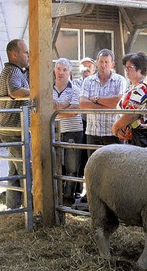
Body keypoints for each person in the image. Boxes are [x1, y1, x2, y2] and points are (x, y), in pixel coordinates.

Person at [0, 38, 30, 209]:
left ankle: (13, 206)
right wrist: (37, 92)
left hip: (11, 128)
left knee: (14, 171)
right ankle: (30, 208)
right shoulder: (13, 71)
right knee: (25, 171)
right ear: (14, 54)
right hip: (16, 129)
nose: (28, 55)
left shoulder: (13, 71)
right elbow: (15, 91)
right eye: (25, 52)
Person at [79, 48, 127, 146]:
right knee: (93, 161)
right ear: (97, 63)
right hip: (93, 133)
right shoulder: (88, 81)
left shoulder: (120, 80)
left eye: (106, 62)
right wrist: (107, 106)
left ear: (112, 64)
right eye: (101, 61)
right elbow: (82, 103)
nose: (103, 65)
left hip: (114, 133)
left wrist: (96, 99)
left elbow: (118, 101)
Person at [52, 58, 84, 202]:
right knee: (57, 164)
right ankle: (57, 195)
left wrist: (55, 109)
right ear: (54, 71)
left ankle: (68, 198)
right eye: (58, 69)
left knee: (72, 166)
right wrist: (64, 106)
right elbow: (45, 110)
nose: (61, 72)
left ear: (70, 72)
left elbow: (74, 111)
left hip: (73, 130)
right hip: (54, 131)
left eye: (64, 70)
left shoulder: (76, 89)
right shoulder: (48, 89)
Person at [112, 52, 147, 147]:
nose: (127, 71)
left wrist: (115, 127)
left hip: (142, 138)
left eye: (130, 67)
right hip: (133, 135)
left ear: (140, 68)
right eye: (126, 68)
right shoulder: (134, 86)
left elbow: (132, 114)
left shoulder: (143, 87)